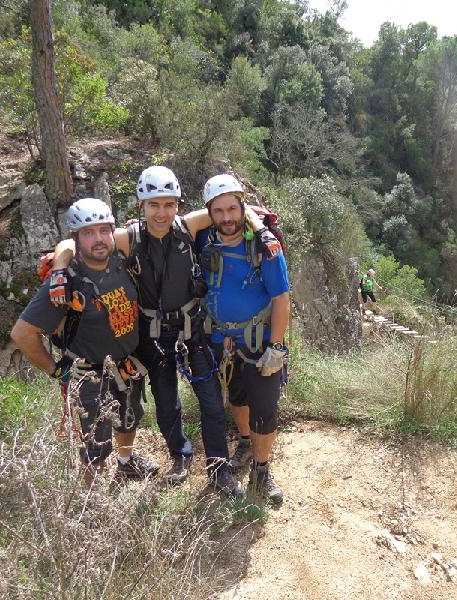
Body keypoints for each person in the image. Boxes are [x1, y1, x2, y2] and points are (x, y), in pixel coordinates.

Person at [49, 167, 259, 496]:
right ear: (141, 206)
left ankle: (218, 469)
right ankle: (180, 455)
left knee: (212, 403)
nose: (162, 213)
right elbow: (70, 242)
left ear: (177, 205)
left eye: (168, 204)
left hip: (191, 330)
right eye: (153, 205)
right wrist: (60, 268)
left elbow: (234, 209)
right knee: (166, 403)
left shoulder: (187, 227)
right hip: (152, 335)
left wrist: (264, 231)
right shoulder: (128, 238)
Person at [11, 198, 157, 487]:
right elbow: (22, 334)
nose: (99, 239)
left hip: (127, 365)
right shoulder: (66, 281)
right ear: (76, 238)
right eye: (89, 233)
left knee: (129, 417)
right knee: (96, 443)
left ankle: (127, 463)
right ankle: (93, 504)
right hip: (89, 375)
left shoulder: (121, 261)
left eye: (104, 231)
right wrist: (57, 371)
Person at [197, 173, 291, 505]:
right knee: (237, 399)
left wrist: (277, 348)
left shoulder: (265, 247)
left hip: (261, 341)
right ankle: (246, 442)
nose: (226, 218)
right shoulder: (203, 241)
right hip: (222, 342)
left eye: (232, 209)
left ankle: (262, 473)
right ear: (209, 213)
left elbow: (281, 299)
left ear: (242, 207)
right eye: (218, 211)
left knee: (264, 409)